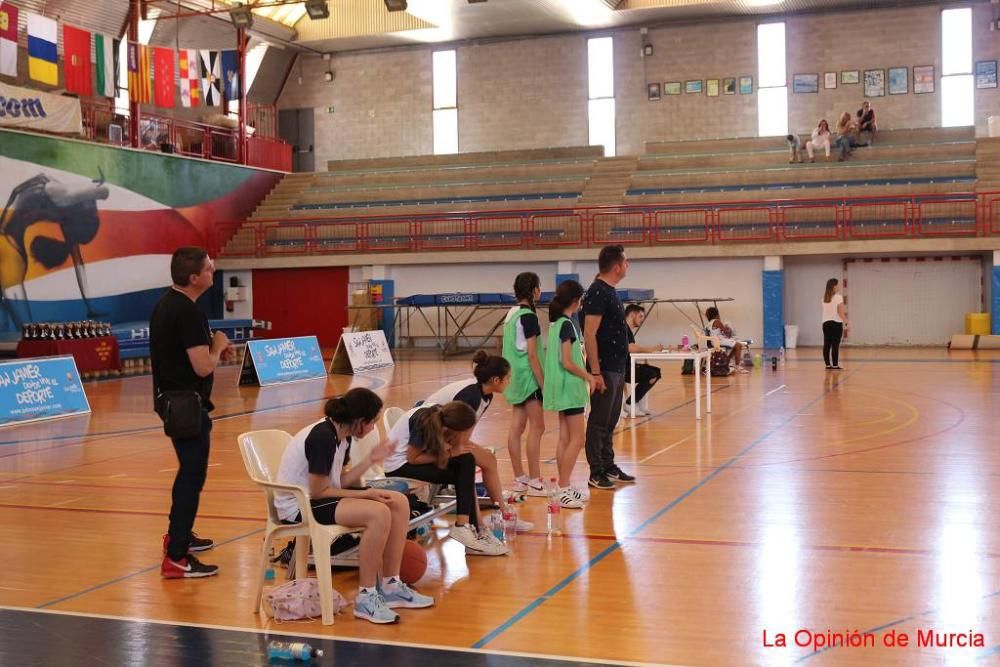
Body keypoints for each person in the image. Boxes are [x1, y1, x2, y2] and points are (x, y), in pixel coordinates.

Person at [274, 389, 434, 625]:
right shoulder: (322, 437)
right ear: (359, 422)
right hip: (298, 507)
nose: (372, 429)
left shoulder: (343, 435)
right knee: (378, 513)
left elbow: (340, 482)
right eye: (372, 423)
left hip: (318, 498)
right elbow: (319, 491)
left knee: (397, 502)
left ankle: (390, 586)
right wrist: (367, 494)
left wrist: (371, 459)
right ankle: (366, 597)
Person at [150, 247, 230, 578]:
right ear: (194, 278)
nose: (214, 272)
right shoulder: (186, 311)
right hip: (185, 404)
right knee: (192, 475)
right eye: (210, 269)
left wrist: (212, 348)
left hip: (174, 399)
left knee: (189, 472)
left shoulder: (169, 304)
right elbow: (201, 366)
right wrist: (218, 345)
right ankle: (177, 555)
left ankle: (179, 536)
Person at [422, 352, 534, 531]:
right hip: (427, 437)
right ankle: (486, 518)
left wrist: (467, 446)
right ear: (496, 380)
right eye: (508, 378)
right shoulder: (471, 395)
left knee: (488, 458)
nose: (509, 381)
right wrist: (455, 448)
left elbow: (465, 431)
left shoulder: (485, 395)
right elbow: (451, 429)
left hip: (443, 436)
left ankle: (500, 512)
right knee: (474, 462)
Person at [383, 402, 508, 556]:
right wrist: (450, 454)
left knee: (467, 461)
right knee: (463, 473)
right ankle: (466, 528)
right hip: (398, 466)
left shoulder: (441, 417)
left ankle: (471, 528)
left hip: (411, 462)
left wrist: (452, 452)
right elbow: (413, 458)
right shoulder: (424, 423)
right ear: (456, 430)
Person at [582, 244, 636, 490]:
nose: (628, 266)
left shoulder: (611, 291)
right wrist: (595, 372)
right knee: (599, 420)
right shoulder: (598, 292)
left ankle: (608, 464)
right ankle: (596, 471)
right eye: (626, 262)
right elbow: (590, 333)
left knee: (612, 418)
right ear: (616, 267)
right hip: (603, 368)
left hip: (616, 365)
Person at [542, 280, 593, 508]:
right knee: (578, 439)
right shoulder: (566, 325)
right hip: (570, 387)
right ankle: (563, 486)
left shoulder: (557, 324)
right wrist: (589, 376)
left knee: (565, 438)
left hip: (561, 388)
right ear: (576, 300)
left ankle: (564, 485)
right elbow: (567, 361)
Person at [502, 272, 546, 496]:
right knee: (538, 427)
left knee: (516, 429)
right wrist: (543, 384)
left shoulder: (510, 314)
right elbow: (532, 355)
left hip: (513, 379)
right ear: (534, 291)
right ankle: (536, 480)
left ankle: (520, 479)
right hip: (528, 379)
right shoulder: (529, 316)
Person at [623, 304, 664, 418]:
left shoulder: (629, 330)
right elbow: (630, 347)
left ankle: (639, 404)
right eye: (640, 316)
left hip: (629, 364)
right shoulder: (623, 328)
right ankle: (629, 403)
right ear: (632, 315)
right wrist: (651, 349)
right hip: (622, 368)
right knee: (651, 374)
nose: (642, 320)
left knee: (656, 372)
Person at [705, 306, 748, 373]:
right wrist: (728, 328)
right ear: (716, 314)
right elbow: (727, 334)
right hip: (718, 341)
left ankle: (727, 362)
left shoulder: (709, 324)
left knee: (735, 346)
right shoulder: (717, 321)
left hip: (714, 341)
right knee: (738, 345)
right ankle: (738, 366)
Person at [822, 278, 849, 370]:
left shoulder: (823, 298)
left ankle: (827, 365)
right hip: (836, 324)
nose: (839, 286)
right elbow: (840, 312)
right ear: (834, 286)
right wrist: (847, 322)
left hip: (825, 324)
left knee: (827, 344)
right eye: (838, 284)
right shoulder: (838, 297)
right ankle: (835, 365)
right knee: (835, 345)